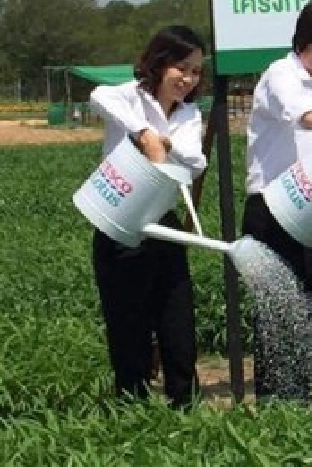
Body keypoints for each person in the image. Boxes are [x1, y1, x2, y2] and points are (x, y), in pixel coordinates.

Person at [242, 0, 312, 402]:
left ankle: (302, 401)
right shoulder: (280, 74)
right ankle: (275, 409)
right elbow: (301, 110)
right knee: (277, 317)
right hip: (272, 210)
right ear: (302, 44)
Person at [88, 24, 208, 409]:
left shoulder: (188, 114)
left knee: (177, 317)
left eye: (195, 71)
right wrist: (143, 132)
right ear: (159, 63)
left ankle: (185, 404)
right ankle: (132, 409)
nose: (188, 79)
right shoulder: (129, 97)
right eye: (181, 67)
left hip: (161, 220)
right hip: (120, 221)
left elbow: (194, 160)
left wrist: (165, 143)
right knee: (127, 323)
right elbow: (98, 96)